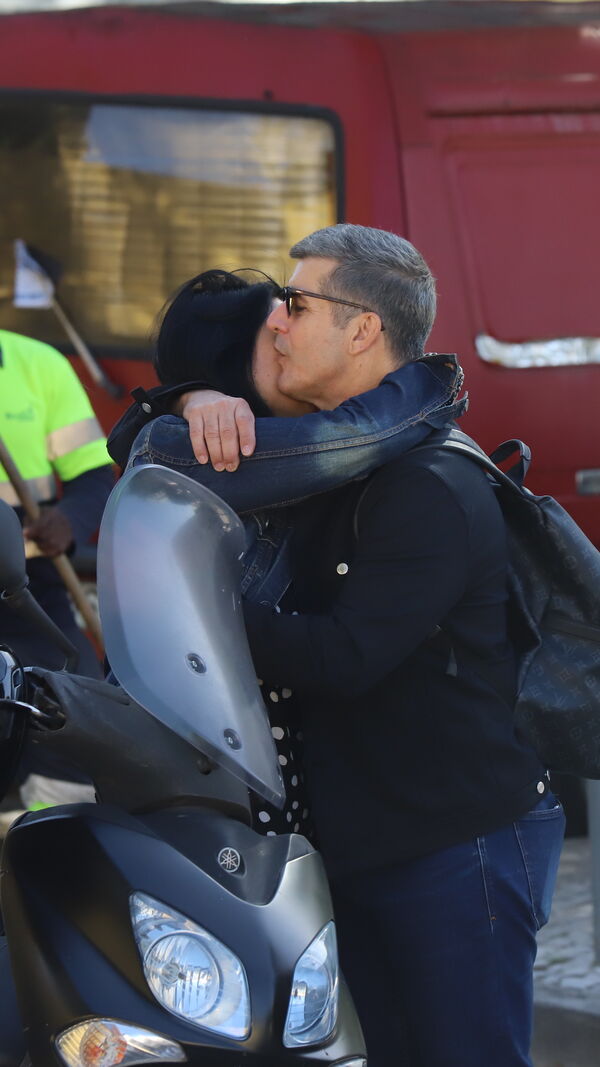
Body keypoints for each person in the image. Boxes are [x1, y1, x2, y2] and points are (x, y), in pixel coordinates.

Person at [116, 226, 565, 1067]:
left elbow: (346, 658)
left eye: (296, 302)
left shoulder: (430, 482)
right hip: (371, 840)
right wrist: (178, 398)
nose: (280, 321)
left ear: (362, 329)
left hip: (454, 844)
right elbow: (149, 456)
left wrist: (199, 613)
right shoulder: (328, 460)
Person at [110, 268, 466, 838]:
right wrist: (433, 380)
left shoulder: (262, 446)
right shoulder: (189, 445)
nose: (291, 339)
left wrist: (179, 396)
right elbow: (361, 435)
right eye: (275, 335)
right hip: (204, 766)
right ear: (227, 363)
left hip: (274, 756)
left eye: (293, 319)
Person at [0, 328, 114, 817]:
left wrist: (71, 521)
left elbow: (92, 478)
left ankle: (54, 827)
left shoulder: (39, 363)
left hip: (27, 576)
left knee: (72, 700)